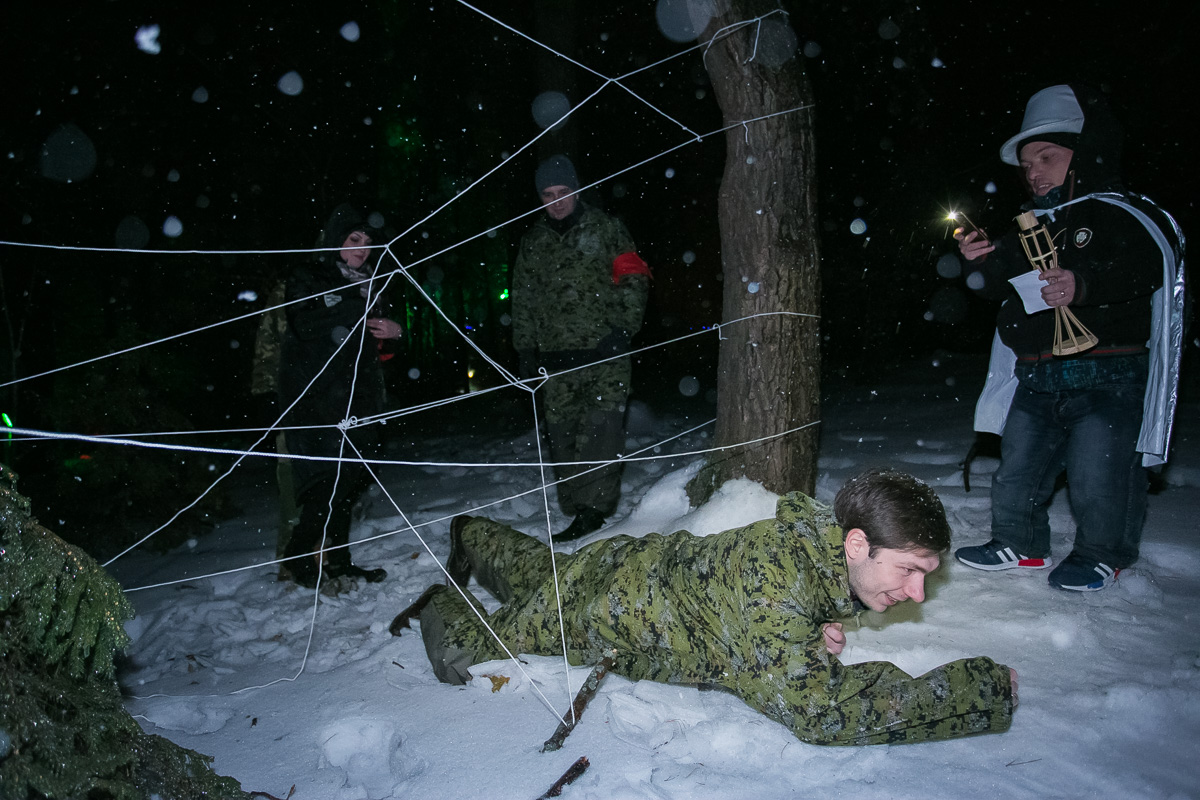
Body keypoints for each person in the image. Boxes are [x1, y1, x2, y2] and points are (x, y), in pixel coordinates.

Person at [390, 469, 1017, 746]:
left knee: (542, 570)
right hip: (595, 611)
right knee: (465, 656)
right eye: (908, 571)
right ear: (856, 542)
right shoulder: (776, 598)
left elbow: (808, 592)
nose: (915, 592)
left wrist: (827, 616)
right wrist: (979, 689)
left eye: (925, 576)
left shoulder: (818, 542)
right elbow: (826, 714)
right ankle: (445, 597)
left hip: (623, 565)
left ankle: (473, 529)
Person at [955, 84, 1185, 591]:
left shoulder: (1119, 213)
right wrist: (983, 266)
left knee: (1098, 475)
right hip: (1037, 377)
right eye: (1027, 164)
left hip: (1111, 374)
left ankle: (1103, 553)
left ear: (1086, 153)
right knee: (1018, 470)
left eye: (1047, 156)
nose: (1034, 172)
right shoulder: (1027, 227)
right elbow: (1001, 292)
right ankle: (1019, 542)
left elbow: (1144, 270)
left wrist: (1083, 284)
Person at [511, 155, 651, 540]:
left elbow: (635, 277)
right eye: (548, 195)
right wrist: (525, 349)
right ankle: (576, 506)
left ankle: (593, 510)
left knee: (602, 431)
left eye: (563, 193)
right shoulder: (533, 241)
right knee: (563, 435)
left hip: (605, 354)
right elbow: (523, 298)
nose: (556, 202)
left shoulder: (607, 230)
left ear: (576, 191)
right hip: (555, 360)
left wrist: (623, 328)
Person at [279, 203, 404, 589]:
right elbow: (304, 324)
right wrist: (353, 304)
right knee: (326, 481)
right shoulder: (310, 275)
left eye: (368, 243)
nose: (362, 249)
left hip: (362, 397)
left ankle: (337, 561)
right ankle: (299, 557)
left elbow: (380, 347)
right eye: (354, 239)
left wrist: (395, 334)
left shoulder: (373, 282)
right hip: (318, 395)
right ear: (337, 239)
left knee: (350, 480)